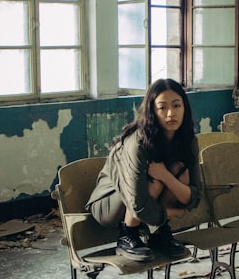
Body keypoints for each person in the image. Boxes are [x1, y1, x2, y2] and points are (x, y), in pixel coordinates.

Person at [86, 78, 201, 261]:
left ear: (184, 108)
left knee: (180, 171)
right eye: (162, 107)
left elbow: (195, 196)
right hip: (109, 206)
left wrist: (166, 176)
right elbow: (137, 204)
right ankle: (127, 235)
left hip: (143, 203)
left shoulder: (189, 140)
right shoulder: (138, 142)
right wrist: (173, 213)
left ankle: (157, 235)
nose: (171, 113)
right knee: (153, 181)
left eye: (177, 105)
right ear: (152, 111)